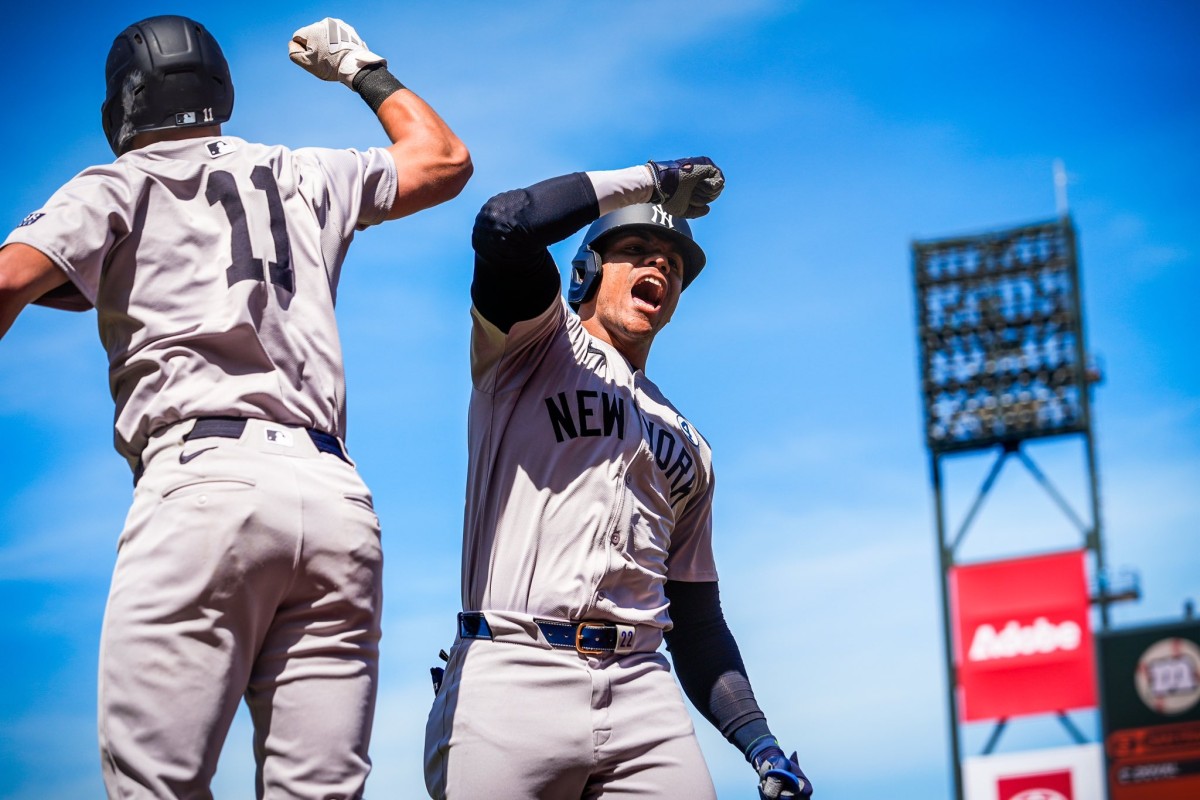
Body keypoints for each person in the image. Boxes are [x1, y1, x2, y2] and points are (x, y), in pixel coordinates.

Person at [0, 14, 470, 799]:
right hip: (334, 503)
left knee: (157, 785)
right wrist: (361, 68)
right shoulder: (300, 170)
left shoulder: (114, 183)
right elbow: (444, 160)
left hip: (202, 486)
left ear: (125, 101)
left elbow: (10, 282)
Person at [423, 159, 812, 799]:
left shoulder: (690, 443)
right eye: (635, 250)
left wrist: (760, 743)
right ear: (586, 270)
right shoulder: (531, 345)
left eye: (673, 264)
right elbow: (504, 224)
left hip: (641, 687)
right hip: (513, 666)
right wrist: (650, 182)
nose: (658, 266)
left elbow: (695, 617)